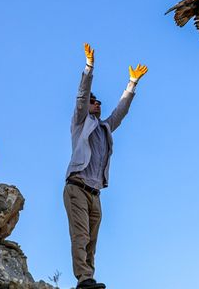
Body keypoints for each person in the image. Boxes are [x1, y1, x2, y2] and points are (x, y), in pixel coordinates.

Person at [64, 43, 148, 289]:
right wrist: (89, 67)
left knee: (92, 240)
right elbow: (81, 95)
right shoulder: (81, 123)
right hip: (77, 187)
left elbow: (120, 113)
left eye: (99, 102)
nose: (96, 104)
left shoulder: (104, 127)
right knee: (80, 235)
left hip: (95, 193)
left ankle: (88, 279)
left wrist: (131, 84)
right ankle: (84, 278)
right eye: (93, 102)